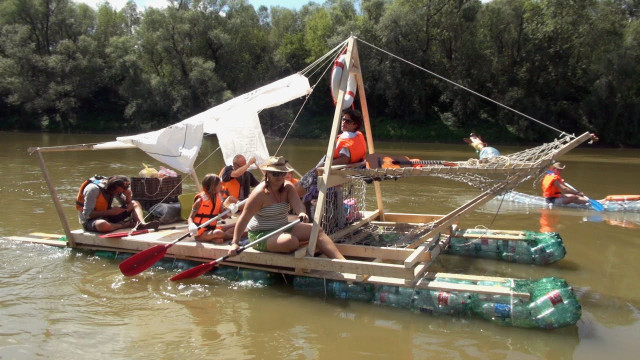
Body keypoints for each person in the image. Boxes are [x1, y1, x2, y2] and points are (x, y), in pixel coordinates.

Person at [228, 156, 345, 259]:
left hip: (282, 227)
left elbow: (298, 205)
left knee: (316, 230)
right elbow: (243, 219)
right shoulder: (259, 194)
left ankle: (342, 262)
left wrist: (301, 213)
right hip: (262, 234)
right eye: (275, 174)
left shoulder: (288, 187)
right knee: (291, 241)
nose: (279, 177)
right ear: (267, 173)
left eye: (282, 173)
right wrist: (234, 243)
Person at [76, 175, 159, 233]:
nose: (118, 193)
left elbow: (127, 204)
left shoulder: (115, 189)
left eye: (121, 192)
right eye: (117, 192)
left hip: (107, 216)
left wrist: (128, 196)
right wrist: (110, 212)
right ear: (111, 187)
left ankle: (141, 224)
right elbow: (87, 214)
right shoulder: (93, 189)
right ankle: (126, 224)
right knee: (103, 225)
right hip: (91, 221)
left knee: (134, 203)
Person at [188, 174, 238, 243]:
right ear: (212, 186)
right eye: (219, 185)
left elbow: (223, 216)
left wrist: (230, 211)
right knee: (218, 233)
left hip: (212, 229)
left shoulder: (218, 199)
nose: (221, 186)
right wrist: (191, 225)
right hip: (201, 233)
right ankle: (235, 237)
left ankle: (217, 238)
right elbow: (190, 218)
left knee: (237, 225)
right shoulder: (200, 200)